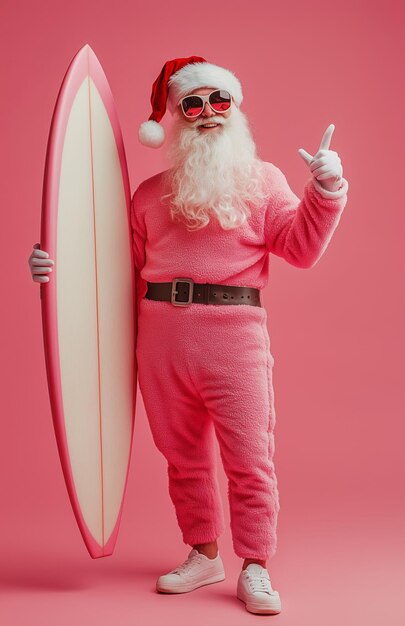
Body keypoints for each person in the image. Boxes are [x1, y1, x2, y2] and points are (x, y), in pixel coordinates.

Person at [29, 56, 349, 615]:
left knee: (250, 458)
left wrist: (327, 188)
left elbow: (299, 248)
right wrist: (53, 271)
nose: (206, 114)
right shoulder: (148, 195)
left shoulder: (265, 180)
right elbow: (113, 276)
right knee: (182, 458)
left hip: (236, 341)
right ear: (174, 116)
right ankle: (203, 554)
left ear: (235, 108)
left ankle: (255, 566)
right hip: (160, 344)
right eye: (192, 104)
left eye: (218, 101)